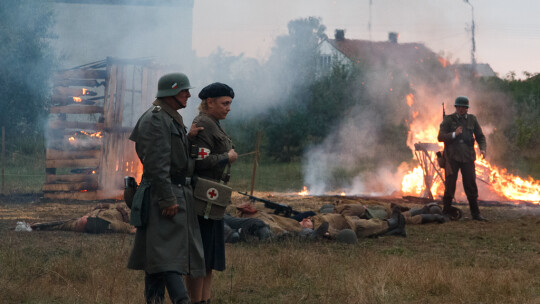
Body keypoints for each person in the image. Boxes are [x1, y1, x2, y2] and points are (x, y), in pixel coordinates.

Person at [126, 72, 205, 304]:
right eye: (184, 91)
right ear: (171, 92)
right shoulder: (156, 119)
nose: (189, 95)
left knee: (158, 257)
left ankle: (155, 300)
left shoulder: (168, 117)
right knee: (166, 257)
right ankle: (182, 300)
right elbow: (157, 164)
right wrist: (167, 198)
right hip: (165, 194)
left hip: (173, 190)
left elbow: (172, 154)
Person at [186, 82, 237, 304]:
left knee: (209, 256)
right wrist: (227, 157)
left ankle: (205, 300)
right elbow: (200, 161)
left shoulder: (214, 123)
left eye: (229, 104)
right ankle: (196, 300)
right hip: (202, 197)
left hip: (212, 195)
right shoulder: (203, 124)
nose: (228, 108)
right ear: (209, 102)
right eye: (224, 103)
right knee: (200, 254)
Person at [438, 96, 488, 221]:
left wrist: (482, 148)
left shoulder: (472, 120)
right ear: (456, 107)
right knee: (450, 186)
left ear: (467, 108)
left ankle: (476, 214)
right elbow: (440, 137)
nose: (461, 109)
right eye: (459, 107)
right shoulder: (448, 120)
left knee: (471, 185)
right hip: (452, 157)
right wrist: (454, 134)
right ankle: (446, 212)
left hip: (468, 157)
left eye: (464, 107)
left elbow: (480, 136)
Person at [30, 203, 135, 234]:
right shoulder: (111, 217)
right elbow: (126, 228)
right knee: (65, 224)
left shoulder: (112, 222)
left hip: (99, 220)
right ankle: (39, 226)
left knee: (65, 225)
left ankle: (39, 226)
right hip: (95, 218)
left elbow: (128, 228)